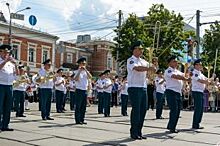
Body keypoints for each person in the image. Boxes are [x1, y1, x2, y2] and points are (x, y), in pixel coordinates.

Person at [127, 40, 155, 140]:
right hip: (134, 87)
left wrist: (154, 66)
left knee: (143, 110)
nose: (141, 51)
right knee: (136, 110)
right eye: (139, 49)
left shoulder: (144, 61)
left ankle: (139, 131)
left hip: (143, 87)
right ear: (134, 50)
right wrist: (148, 69)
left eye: (142, 49)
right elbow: (137, 68)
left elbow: (151, 69)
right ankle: (134, 132)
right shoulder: (131, 60)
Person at [164, 56, 191, 133]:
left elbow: (185, 75)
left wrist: (189, 73)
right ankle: (172, 127)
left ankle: (171, 125)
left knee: (178, 110)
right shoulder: (168, 71)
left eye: (176, 61)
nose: (176, 63)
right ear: (169, 63)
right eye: (174, 61)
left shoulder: (178, 71)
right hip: (171, 92)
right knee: (174, 110)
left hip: (178, 92)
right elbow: (175, 76)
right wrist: (185, 78)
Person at [0, 44, 16, 131]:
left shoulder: (10, 63)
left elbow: (15, 74)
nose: (7, 54)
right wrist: (5, 61)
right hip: (1, 85)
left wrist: (15, 64)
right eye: (5, 52)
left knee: (8, 107)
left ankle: (5, 125)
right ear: (1, 52)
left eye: (8, 53)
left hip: (9, 86)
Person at [191, 59, 210, 129]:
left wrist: (212, 78)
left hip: (200, 92)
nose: (201, 66)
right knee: (198, 108)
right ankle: (195, 124)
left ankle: (197, 123)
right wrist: (207, 82)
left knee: (201, 108)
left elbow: (206, 79)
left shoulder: (200, 73)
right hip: (196, 91)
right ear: (196, 65)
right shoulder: (194, 73)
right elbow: (200, 81)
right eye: (200, 64)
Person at [74, 57, 92, 125]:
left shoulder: (86, 72)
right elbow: (75, 79)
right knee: (78, 106)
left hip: (84, 90)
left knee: (83, 106)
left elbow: (90, 77)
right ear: (79, 64)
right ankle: (77, 120)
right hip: (79, 90)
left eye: (85, 63)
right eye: (82, 63)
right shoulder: (76, 71)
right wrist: (79, 71)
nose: (84, 65)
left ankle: (82, 119)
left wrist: (86, 70)